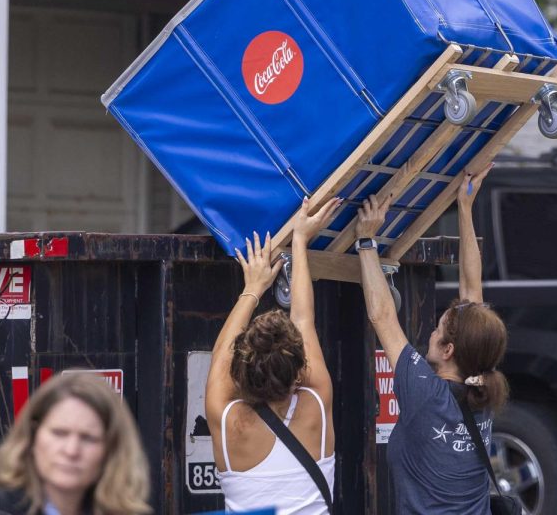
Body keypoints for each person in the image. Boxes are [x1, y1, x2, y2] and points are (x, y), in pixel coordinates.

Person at [356, 167, 509, 514]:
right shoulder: (483, 381)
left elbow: (382, 316)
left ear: (449, 350)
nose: (431, 333)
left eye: (438, 331)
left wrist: (366, 241)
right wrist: (465, 208)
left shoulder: (425, 391)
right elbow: (472, 290)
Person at [205, 197, 341, 514]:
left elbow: (220, 355)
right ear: (298, 373)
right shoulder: (316, 404)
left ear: (240, 374)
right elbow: (304, 319)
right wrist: (300, 241)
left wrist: (253, 288)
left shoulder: (226, 420)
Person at [0, 372, 151, 515]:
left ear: (111, 448)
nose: (71, 450)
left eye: (88, 438)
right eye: (59, 433)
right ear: (32, 436)